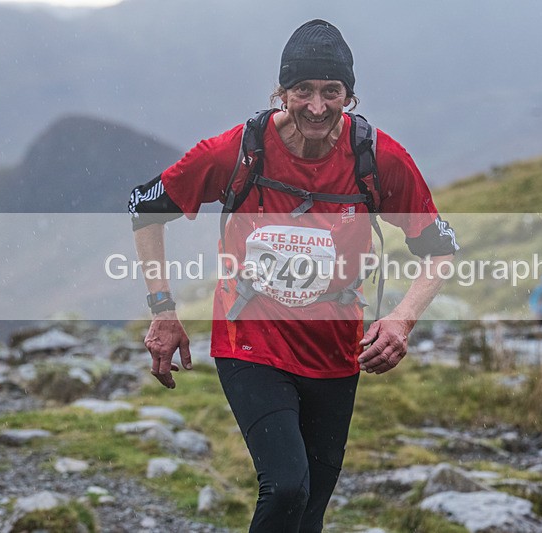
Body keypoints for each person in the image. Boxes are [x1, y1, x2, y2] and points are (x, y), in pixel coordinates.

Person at [128, 19, 457, 532]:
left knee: (309, 511)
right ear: (281, 92)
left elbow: (441, 250)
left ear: (350, 96)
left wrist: (400, 321)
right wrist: (163, 310)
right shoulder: (238, 150)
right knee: (285, 487)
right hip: (250, 341)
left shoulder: (378, 159)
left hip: (335, 350)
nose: (317, 106)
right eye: (302, 90)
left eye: (332, 91)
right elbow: (145, 208)